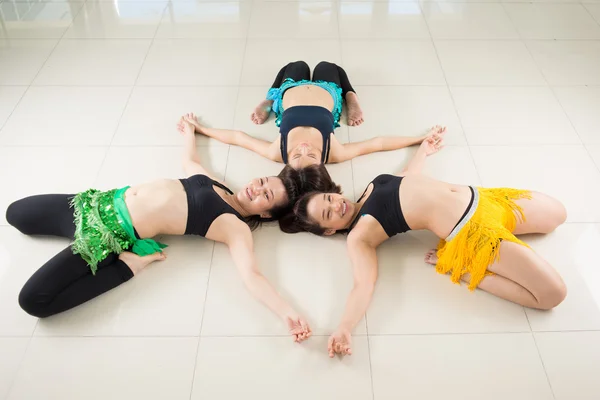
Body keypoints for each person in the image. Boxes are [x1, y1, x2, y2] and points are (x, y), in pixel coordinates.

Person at [4, 118, 333, 342]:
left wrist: (288, 313)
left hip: (106, 236)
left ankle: (127, 266)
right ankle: (112, 255)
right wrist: (191, 131)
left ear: (266, 213)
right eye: (262, 182)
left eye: (266, 196)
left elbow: (253, 277)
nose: (256, 189)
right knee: (15, 214)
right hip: (94, 203)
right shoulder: (218, 185)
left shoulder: (234, 226)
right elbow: (190, 164)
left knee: (34, 301)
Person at [282, 126, 568, 357]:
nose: (337, 206)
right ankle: (466, 270)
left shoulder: (370, 188)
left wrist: (424, 149)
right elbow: (363, 284)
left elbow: (408, 177)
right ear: (329, 230)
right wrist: (345, 327)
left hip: (485, 199)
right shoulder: (360, 236)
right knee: (552, 295)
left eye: (330, 198)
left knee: (558, 215)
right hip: (473, 232)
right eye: (328, 214)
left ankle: (494, 254)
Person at [184, 61, 428, 169]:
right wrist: (418, 140)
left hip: (289, 89)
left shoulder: (276, 152)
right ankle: (351, 97)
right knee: (329, 66)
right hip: (328, 90)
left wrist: (201, 129)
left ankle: (269, 99)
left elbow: (238, 138)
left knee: (295, 64)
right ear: (322, 161)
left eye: (296, 154)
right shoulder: (335, 153)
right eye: (311, 154)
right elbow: (378, 144)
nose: (302, 147)